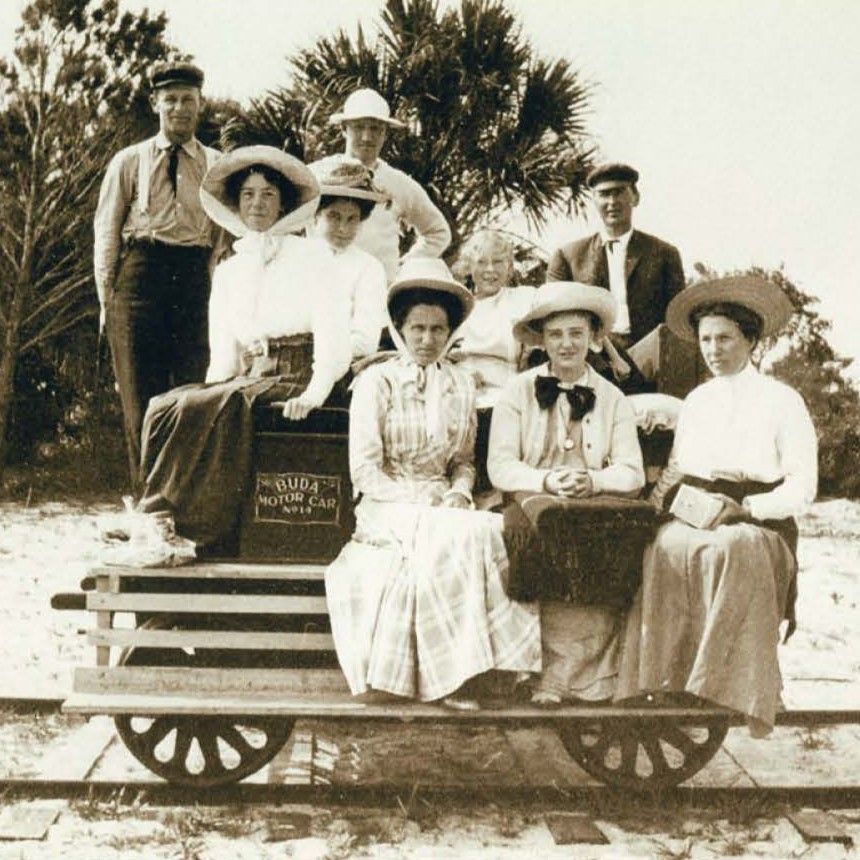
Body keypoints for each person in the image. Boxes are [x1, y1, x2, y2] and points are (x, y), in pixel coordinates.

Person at [325, 257, 541, 708]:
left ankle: (494, 669)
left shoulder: (462, 384)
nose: (427, 340)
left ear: (450, 333)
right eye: (417, 329)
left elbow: (463, 461)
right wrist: (422, 503)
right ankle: (452, 680)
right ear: (400, 330)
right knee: (453, 537)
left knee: (487, 531)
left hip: (445, 502)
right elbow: (364, 472)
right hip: (387, 505)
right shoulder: (375, 382)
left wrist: (461, 491)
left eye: (437, 330)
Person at [615, 275, 818, 736]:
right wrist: (666, 503)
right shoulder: (698, 401)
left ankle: (733, 687)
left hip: (761, 517)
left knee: (735, 548)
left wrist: (747, 510)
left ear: (750, 339)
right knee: (662, 546)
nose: (713, 349)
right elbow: (681, 467)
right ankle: (668, 679)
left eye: (724, 337)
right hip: (699, 505)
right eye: (706, 339)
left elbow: (802, 486)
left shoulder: (783, 401)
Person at [127, 146, 351, 561]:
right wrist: (204, 398)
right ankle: (158, 517)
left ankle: (164, 514)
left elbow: (333, 334)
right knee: (165, 404)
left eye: (268, 194)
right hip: (249, 379)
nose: (257, 204)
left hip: (297, 376)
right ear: (236, 203)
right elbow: (223, 358)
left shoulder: (313, 256)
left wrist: (316, 393)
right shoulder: (230, 268)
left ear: (284, 202)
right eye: (248, 195)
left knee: (209, 404)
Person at [487, 281, 645, 706]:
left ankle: (590, 678)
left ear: (594, 339)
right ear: (542, 340)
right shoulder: (517, 391)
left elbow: (632, 472)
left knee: (606, 547)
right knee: (536, 543)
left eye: (576, 333)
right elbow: (499, 465)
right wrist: (547, 481)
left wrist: (594, 481)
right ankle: (536, 673)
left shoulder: (613, 399)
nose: (566, 344)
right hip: (532, 500)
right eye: (556, 335)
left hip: (591, 505)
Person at [94, 62, 220, 482]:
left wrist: (211, 284)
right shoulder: (129, 162)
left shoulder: (217, 166)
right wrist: (107, 299)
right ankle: (147, 505)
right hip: (138, 277)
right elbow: (107, 234)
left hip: (193, 277)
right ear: (155, 104)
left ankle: (181, 502)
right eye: (171, 100)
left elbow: (223, 234)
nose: (179, 108)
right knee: (139, 398)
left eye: (188, 100)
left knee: (190, 394)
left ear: (200, 104)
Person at [310, 88, 451, 282]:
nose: (367, 137)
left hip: (377, 291)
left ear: (385, 133)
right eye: (359, 127)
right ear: (344, 128)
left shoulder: (399, 183)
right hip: (321, 283)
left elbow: (438, 232)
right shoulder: (315, 174)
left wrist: (404, 266)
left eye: (375, 129)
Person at [546, 162, 685, 348]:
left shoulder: (664, 254)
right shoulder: (568, 256)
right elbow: (555, 318)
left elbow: (677, 317)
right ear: (594, 201)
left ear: (635, 198)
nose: (612, 202)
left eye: (619, 192)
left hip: (651, 356)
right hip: (591, 357)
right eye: (604, 194)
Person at [307, 160, 389, 358]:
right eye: (334, 217)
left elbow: (365, 342)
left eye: (352, 219)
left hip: (341, 365)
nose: (343, 228)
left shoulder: (368, 268)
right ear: (316, 215)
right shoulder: (293, 258)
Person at [451, 230, 536, 409]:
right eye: (481, 262)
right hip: (459, 393)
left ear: (510, 267)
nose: (490, 269)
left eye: (498, 262)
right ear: (468, 266)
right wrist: (458, 376)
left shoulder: (523, 298)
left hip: (508, 395)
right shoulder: (456, 304)